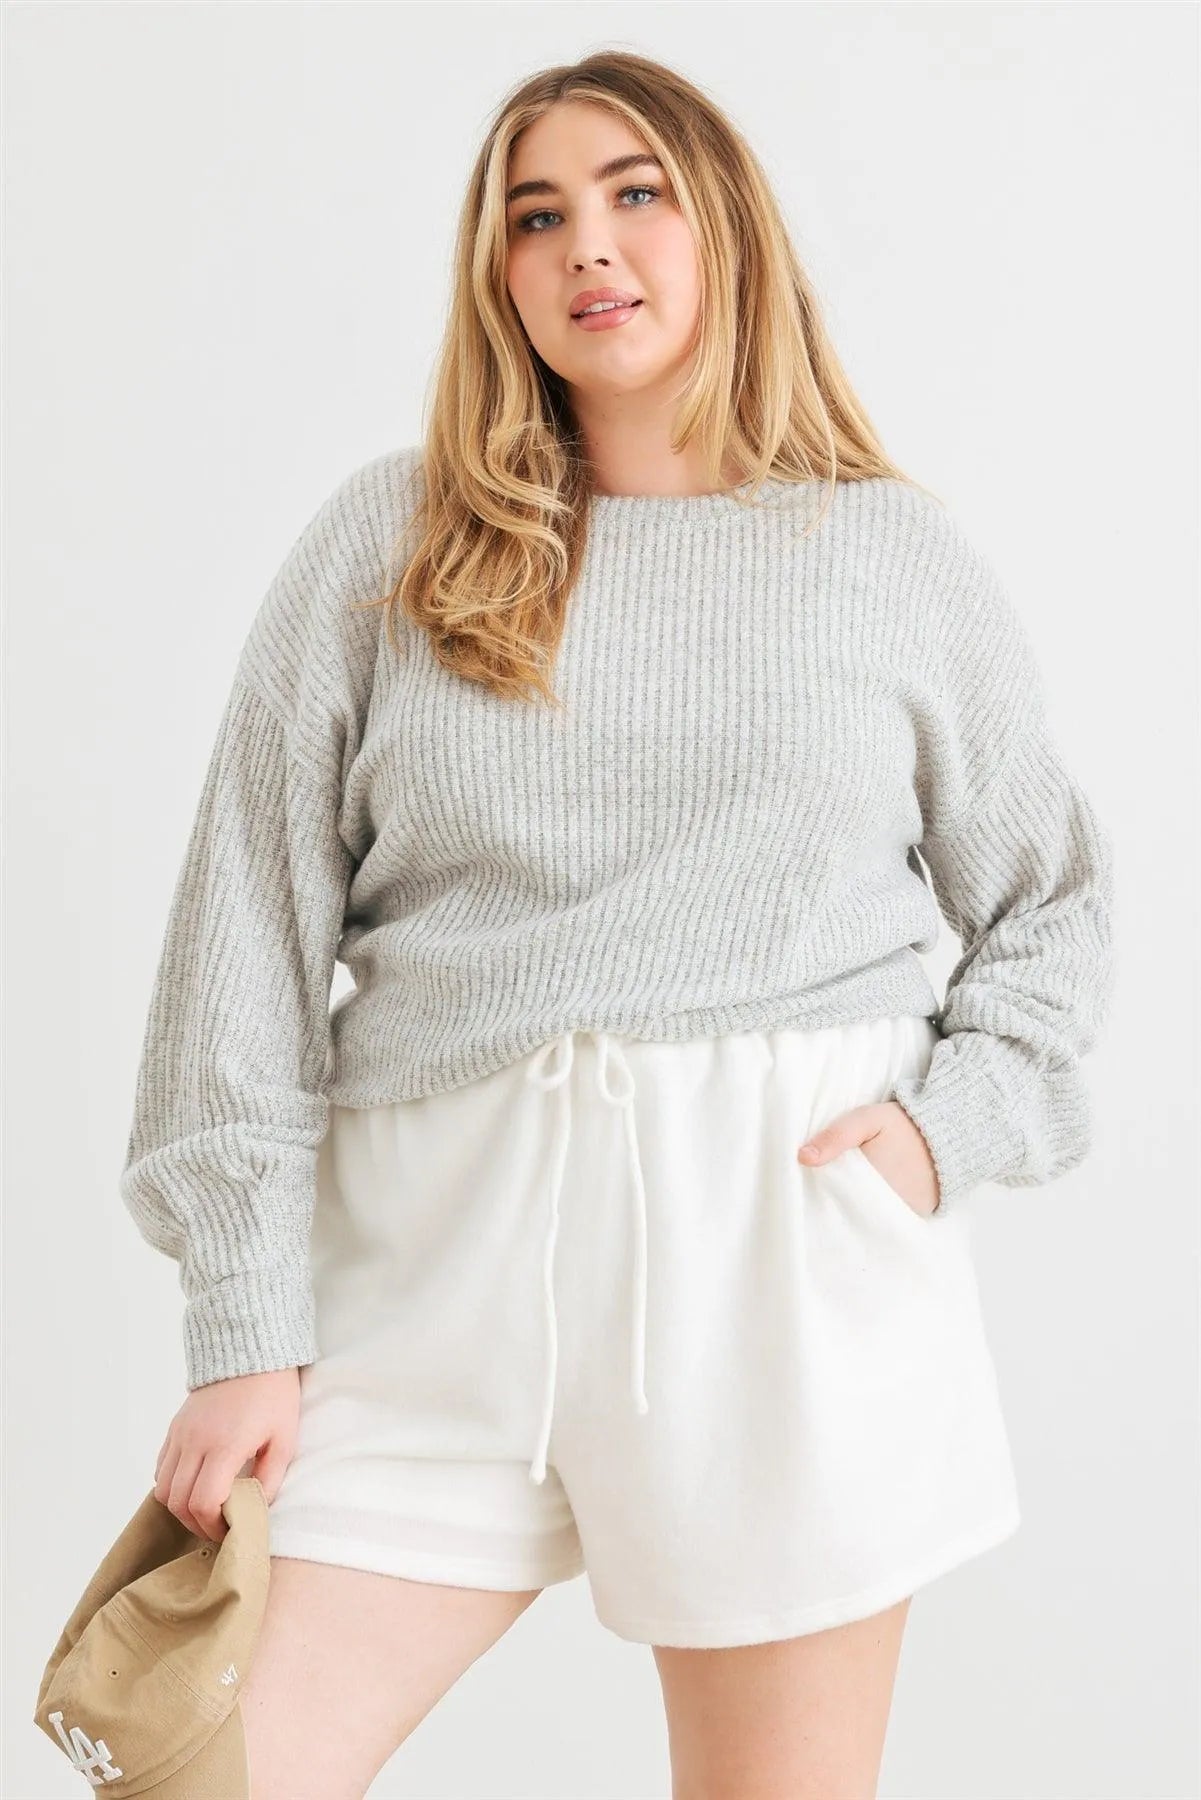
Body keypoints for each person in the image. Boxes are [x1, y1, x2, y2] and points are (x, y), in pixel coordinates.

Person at [119, 49, 1115, 1800]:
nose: (587, 243)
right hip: (428, 1274)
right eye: (536, 216)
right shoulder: (392, 548)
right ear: (497, 276)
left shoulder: (889, 559)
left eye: (634, 192)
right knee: (204, 1776)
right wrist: (244, 1326)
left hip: (776, 1267)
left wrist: (941, 1137)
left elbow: (1050, 901)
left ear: (723, 224)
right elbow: (242, 946)